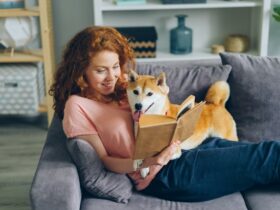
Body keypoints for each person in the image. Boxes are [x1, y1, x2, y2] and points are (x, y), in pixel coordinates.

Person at [49, 26, 280, 202]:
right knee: (269, 156)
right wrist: (149, 161)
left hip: (188, 149)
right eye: (100, 70)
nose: (111, 77)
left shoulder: (125, 91)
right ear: (81, 71)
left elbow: (156, 120)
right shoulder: (77, 106)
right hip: (167, 174)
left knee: (270, 150)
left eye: (116, 67)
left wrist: (163, 98)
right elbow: (105, 161)